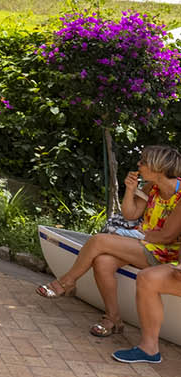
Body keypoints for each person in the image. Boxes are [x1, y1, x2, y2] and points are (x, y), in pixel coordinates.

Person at [38, 144, 181, 339]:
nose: (139, 165)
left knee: (99, 241)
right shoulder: (151, 187)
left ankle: (66, 282)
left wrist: (136, 235)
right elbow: (131, 214)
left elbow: (167, 236)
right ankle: (113, 319)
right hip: (144, 244)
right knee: (103, 262)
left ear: (158, 168)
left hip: (165, 252)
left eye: (143, 162)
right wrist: (130, 190)